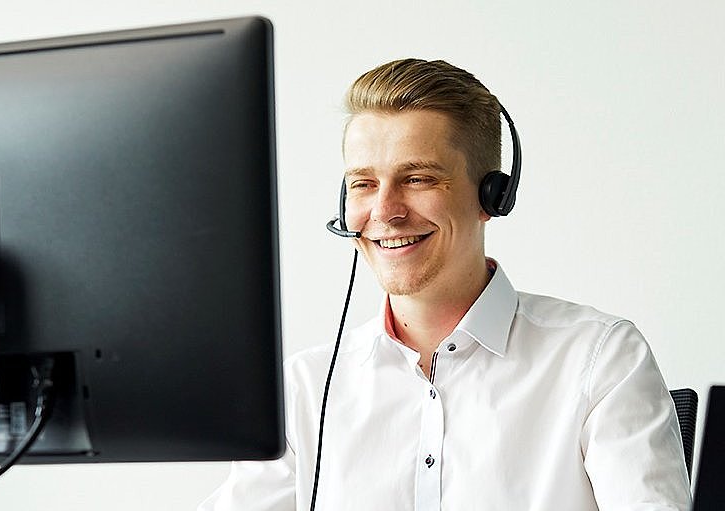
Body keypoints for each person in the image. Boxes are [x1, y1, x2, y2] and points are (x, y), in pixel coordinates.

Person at [200, 58, 690, 511]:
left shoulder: (599, 359)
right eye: (363, 184)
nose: (386, 212)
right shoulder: (306, 391)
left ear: (492, 197)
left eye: (417, 179)